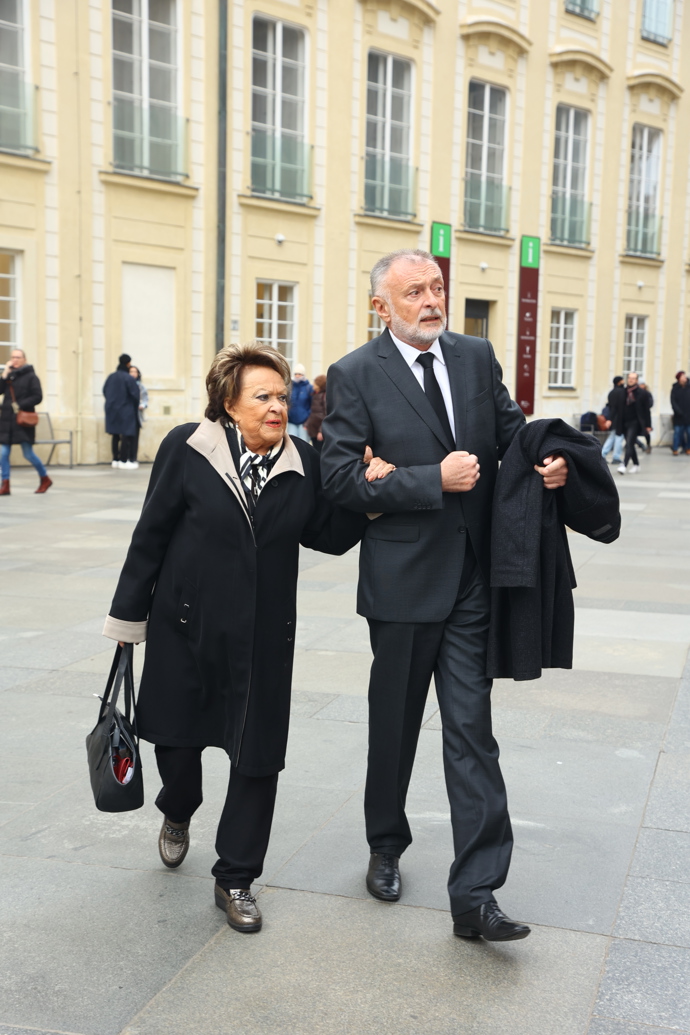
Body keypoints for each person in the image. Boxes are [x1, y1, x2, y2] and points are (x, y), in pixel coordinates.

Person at [102, 341, 393, 934]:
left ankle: (236, 877)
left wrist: (371, 495)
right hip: (185, 629)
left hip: (264, 639)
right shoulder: (188, 448)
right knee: (175, 745)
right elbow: (150, 535)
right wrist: (127, 622)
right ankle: (178, 810)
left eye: (282, 397)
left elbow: (327, 535)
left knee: (257, 759)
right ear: (228, 403)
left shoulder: (302, 462)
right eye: (262, 397)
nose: (277, 408)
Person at [320, 249, 568, 943]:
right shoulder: (355, 374)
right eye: (415, 291)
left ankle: (476, 894)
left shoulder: (475, 355)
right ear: (383, 306)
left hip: (471, 584)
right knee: (394, 728)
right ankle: (385, 843)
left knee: (471, 733)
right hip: (401, 586)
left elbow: (512, 436)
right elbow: (339, 480)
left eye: (436, 287)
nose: (432, 299)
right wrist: (433, 479)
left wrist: (545, 465)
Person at [0, 348, 52, 495]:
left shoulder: (31, 377)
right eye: (12, 357)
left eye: (18, 357)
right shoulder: (9, 376)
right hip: (7, 422)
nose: (14, 360)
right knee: (3, 453)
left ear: (24, 360)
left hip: (22, 421)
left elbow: (38, 396)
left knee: (28, 454)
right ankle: (5, 484)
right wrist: (4, 375)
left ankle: (45, 478)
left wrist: (20, 405)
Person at [103, 353, 141, 469]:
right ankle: (124, 460)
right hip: (126, 410)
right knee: (126, 435)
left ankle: (115, 459)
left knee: (115, 435)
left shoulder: (111, 377)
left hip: (112, 410)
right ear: (128, 363)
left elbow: (104, 391)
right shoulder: (128, 378)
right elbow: (135, 395)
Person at [611, 371, 651, 475]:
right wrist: (609, 419)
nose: (631, 379)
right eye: (629, 378)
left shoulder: (642, 393)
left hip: (636, 422)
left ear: (637, 380)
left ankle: (624, 465)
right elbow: (615, 407)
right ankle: (636, 464)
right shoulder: (622, 392)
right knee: (631, 444)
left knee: (629, 443)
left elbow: (647, 410)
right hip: (623, 422)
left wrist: (648, 425)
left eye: (633, 378)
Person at [601, 376, 624, 464]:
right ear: (619, 382)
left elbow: (611, 406)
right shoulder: (622, 392)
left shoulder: (611, 392)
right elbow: (616, 407)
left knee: (613, 436)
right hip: (619, 418)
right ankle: (616, 457)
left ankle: (603, 454)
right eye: (622, 381)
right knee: (619, 437)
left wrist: (610, 419)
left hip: (613, 418)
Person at [287, 363, 313, 441]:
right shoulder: (290, 387)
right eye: (296, 374)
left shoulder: (309, 388)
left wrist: (308, 418)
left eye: (300, 374)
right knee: (292, 443)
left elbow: (312, 405)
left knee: (303, 443)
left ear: (303, 375)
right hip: (291, 421)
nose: (297, 376)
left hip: (304, 422)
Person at [129, 365, 148, 463]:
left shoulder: (141, 386)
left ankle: (133, 458)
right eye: (131, 371)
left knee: (135, 438)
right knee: (126, 438)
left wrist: (142, 405)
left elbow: (145, 399)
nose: (133, 373)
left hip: (137, 415)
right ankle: (126, 458)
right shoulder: (125, 384)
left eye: (135, 372)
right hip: (127, 415)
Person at [305, 374, 327, 452]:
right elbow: (313, 413)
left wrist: (321, 431)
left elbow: (326, 415)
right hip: (313, 431)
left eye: (315, 384)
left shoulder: (324, 396)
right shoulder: (315, 395)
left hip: (319, 432)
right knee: (315, 451)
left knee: (320, 452)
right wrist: (307, 424)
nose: (313, 385)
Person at [670, 371, 690, 455]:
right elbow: (673, 401)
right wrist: (678, 411)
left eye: (684, 376)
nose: (684, 378)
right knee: (677, 433)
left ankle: (688, 448)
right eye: (682, 376)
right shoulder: (675, 389)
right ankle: (675, 448)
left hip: (689, 415)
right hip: (679, 416)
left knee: (689, 433)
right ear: (679, 379)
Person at [637, 381, 653, 454]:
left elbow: (650, 404)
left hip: (645, 415)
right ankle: (639, 444)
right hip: (636, 416)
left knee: (646, 432)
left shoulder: (647, 394)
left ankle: (648, 445)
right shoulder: (636, 393)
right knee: (632, 432)